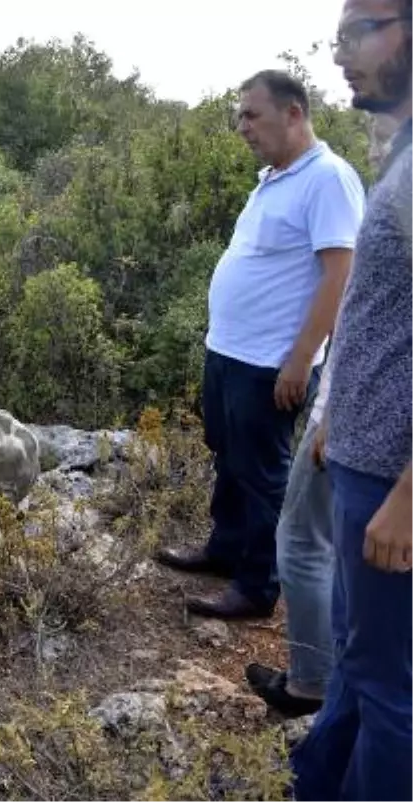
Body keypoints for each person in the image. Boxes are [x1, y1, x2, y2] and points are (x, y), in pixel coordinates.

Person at [155, 70, 365, 621]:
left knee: (261, 473)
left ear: (293, 113)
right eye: (239, 116)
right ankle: (225, 549)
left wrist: (300, 359)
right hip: (229, 351)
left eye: (252, 115)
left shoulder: (328, 178)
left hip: (271, 362)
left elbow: (339, 276)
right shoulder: (275, 177)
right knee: (228, 455)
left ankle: (255, 586)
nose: (241, 126)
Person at [291, 1, 413, 798]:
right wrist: (339, 416)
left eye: (359, 30)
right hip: (362, 459)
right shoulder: (400, 151)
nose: (340, 53)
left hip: (392, 487)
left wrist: (410, 492)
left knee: (390, 694)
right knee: (357, 665)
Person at [244, 355, 335, 718]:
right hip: (356, 412)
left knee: (302, 544)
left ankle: (311, 685)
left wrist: (336, 413)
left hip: (354, 414)